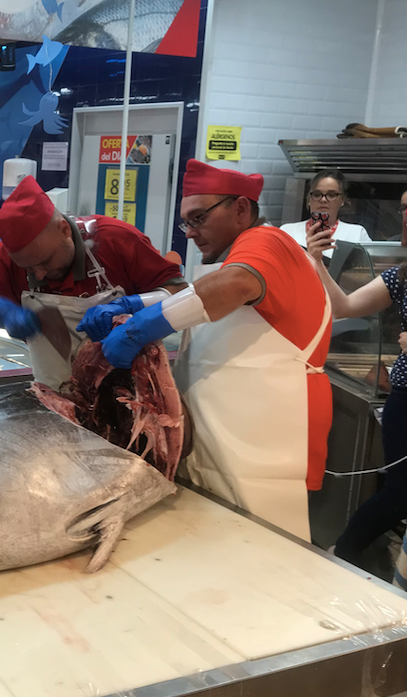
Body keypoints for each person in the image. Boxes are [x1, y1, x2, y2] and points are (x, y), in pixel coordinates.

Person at [89, 160, 333, 541]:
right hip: (230, 441)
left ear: (241, 209)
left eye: (199, 218)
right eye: (186, 223)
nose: (190, 232)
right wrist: (136, 304)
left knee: (262, 549)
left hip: (264, 445)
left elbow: (234, 285)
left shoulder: (266, 241)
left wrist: (139, 329)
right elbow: (204, 296)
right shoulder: (241, 254)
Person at [0, 176, 185, 389]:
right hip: (55, 397)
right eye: (28, 269)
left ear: (64, 230)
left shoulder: (117, 239)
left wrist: (134, 314)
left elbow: (179, 293)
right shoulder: (7, 257)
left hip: (129, 395)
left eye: (45, 261)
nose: (39, 275)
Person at [309, 206, 407, 567]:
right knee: (402, 491)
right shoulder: (405, 275)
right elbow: (344, 306)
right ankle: (343, 552)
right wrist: (317, 261)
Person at [280, 170, 371, 257]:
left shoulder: (356, 234)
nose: (323, 200)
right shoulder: (287, 232)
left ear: (342, 200)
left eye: (331, 195)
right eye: (317, 194)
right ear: (309, 200)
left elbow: (372, 265)